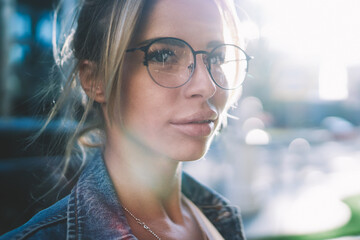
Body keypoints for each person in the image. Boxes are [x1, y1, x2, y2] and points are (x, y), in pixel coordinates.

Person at [1, 0, 251, 239]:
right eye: (164, 56)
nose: (206, 86)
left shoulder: (216, 217)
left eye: (217, 58)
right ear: (95, 79)